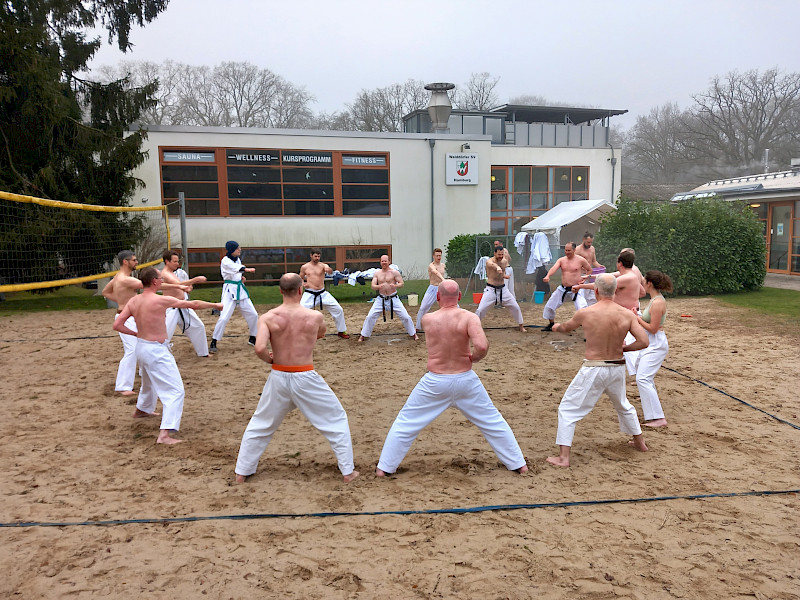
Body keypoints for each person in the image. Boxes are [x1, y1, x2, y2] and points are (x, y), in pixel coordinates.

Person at [376, 280, 528, 476]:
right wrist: (475, 358)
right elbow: (481, 346)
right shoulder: (470, 317)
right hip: (465, 379)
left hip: (435, 381)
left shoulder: (428, 319)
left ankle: (384, 468)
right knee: (493, 421)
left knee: (406, 423)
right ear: (458, 297)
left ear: (438, 297)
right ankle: (519, 464)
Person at [235, 273, 359, 483]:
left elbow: (259, 348)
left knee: (261, 424)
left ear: (280, 291)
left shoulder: (267, 317)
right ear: (301, 289)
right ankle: (348, 472)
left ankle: (242, 472)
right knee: (335, 419)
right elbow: (320, 333)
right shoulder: (314, 316)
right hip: (305, 375)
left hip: (279, 374)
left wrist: (270, 360)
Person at [545, 273, 650, 468]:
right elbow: (643, 341)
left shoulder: (586, 312)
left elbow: (567, 327)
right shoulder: (626, 314)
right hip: (617, 366)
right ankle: (639, 443)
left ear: (596, 291)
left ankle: (563, 458)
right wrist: (624, 349)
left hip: (594, 367)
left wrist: (556, 326)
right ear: (615, 291)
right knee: (623, 405)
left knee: (567, 409)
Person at [112, 267, 223, 444]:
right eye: (160, 278)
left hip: (142, 348)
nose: (162, 280)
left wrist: (136, 334)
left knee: (149, 383)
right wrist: (215, 305)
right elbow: (193, 304)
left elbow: (117, 325)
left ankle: (142, 410)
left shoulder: (134, 301)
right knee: (175, 391)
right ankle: (164, 435)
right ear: (155, 281)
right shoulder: (161, 300)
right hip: (156, 350)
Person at [634, 270, 673, 427]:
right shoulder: (653, 300)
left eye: (644, 280)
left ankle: (658, 418)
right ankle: (654, 415)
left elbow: (653, 328)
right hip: (651, 343)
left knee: (642, 378)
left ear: (649, 283)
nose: (642, 282)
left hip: (656, 344)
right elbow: (647, 321)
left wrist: (636, 319)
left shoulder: (657, 302)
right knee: (643, 377)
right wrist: (637, 314)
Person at [102, 250, 142, 396]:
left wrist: (122, 301)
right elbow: (151, 286)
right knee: (132, 350)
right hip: (126, 319)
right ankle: (123, 386)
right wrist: (181, 285)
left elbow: (105, 292)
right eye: (134, 260)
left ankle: (145, 374)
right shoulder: (124, 279)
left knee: (144, 345)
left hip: (133, 316)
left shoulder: (118, 277)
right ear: (125, 262)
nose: (136, 262)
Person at [210, 241, 258, 353]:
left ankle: (253, 337)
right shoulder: (225, 261)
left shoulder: (237, 259)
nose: (239, 250)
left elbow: (236, 271)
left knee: (253, 314)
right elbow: (235, 268)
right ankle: (214, 340)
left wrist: (240, 278)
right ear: (231, 250)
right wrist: (246, 270)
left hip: (240, 289)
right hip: (229, 290)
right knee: (224, 317)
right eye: (237, 248)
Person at [161, 249, 210, 356]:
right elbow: (178, 284)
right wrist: (196, 279)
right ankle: (154, 358)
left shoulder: (172, 273)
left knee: (198, 326)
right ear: (167, 261)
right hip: (171, 308)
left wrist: (186, 288)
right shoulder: (165, 274)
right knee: (164, 335)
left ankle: (203, 353)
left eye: (177, 261)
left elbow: (180, 286)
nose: (177, 264)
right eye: (174, 261)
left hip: (182, 305)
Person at [358, 255, 418, 342]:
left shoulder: (394, 272)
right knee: (370, 316)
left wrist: (395, 285)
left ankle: (413, 333)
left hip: (393, 298)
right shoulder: (377, 273)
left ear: (389, 262)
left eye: (385, 261)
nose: (384, 263)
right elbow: (373, 286)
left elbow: (402, 283)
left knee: (406, 317)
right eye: (382, 261)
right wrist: (379, 286)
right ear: (380, 262)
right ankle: (363, 335)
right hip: (381, 299)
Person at [299, 249, 350, 339]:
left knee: (338, 309)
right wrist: (303, 284)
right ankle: (299, 332)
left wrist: (328, 270)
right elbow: (300, 277)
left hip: (322, 293)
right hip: (310, 293)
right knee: (300, 312)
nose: (317, 258)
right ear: (311, 256)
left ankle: (341, 330)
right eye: (315, 256)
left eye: (318, 256)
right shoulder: (305, 267)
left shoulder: (322, 265)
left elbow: (328, 269)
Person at [541, 242, 592, 331]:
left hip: (576, 288)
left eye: (569, 250)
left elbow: (589, 270)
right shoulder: (561, 260)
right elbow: (554, 268)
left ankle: (586, 327)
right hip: (563, 288)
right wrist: (548, 276)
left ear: (574, 250)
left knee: (583, 308)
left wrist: (584, 279)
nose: (567, 252)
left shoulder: (581, 260)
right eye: (565, 250)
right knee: (549, 306)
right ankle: (551, 324)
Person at [475, 245, 526, 332]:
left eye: (502, 254)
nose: (500, 256)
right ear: (494, 253)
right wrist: (497, 267)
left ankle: (521, 326)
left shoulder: (504, 261)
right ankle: (474, 325)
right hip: (490, 290)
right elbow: (492, 265)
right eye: (499, 254)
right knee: (480, 309)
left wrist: (504, 276)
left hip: (503, 289)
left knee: (516, 307)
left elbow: (503, 271)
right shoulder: (489, 261)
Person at [612, 249, 647, 374]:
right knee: (630, 339)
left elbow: (606, 285)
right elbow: (642, 290)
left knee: (633, 341)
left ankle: (638, 370)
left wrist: (630, 298)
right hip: (630, 310)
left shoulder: (631, 274)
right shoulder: (632, 272)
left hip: (629, 312)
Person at [415, 248, 447, 332]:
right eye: (437, 256)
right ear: (433, 256)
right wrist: (443, 280)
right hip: (432, 288)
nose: (439, 257)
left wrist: (445, 281)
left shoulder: (443, 265)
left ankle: (453, 324)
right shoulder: (431, 265)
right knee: (423, 307)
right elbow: (436, 272)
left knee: (452, 306)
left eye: (440, 255)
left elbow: (442, 273)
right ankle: (418, 326)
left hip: (441, 288)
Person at [573, 232, 605, 306]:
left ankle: (590, 309)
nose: (589, 244)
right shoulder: (578, 250)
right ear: (583, 239)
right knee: (582, 294)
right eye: (588, 242)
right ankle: (582, 309)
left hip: (589, 274)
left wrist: (600, 266)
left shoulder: (592, 249)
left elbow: (593, 261)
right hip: (581, 274)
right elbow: (574, 263)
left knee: (590, 294)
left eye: (591, 242)